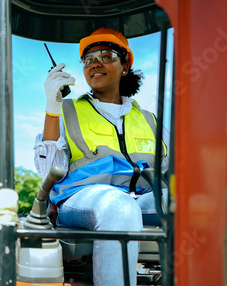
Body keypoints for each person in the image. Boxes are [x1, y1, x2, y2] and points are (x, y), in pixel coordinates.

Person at [33, 27, 169, 286]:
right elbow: (47, 170)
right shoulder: (67, 111)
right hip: (82, 202)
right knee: (119, 207)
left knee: (198, 204)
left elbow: (174, 171)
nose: (95, 64)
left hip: (143, 199)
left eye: (106, 56)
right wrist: (52, 109)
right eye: (88, 59)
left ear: (124, 65)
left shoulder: (150, 120)